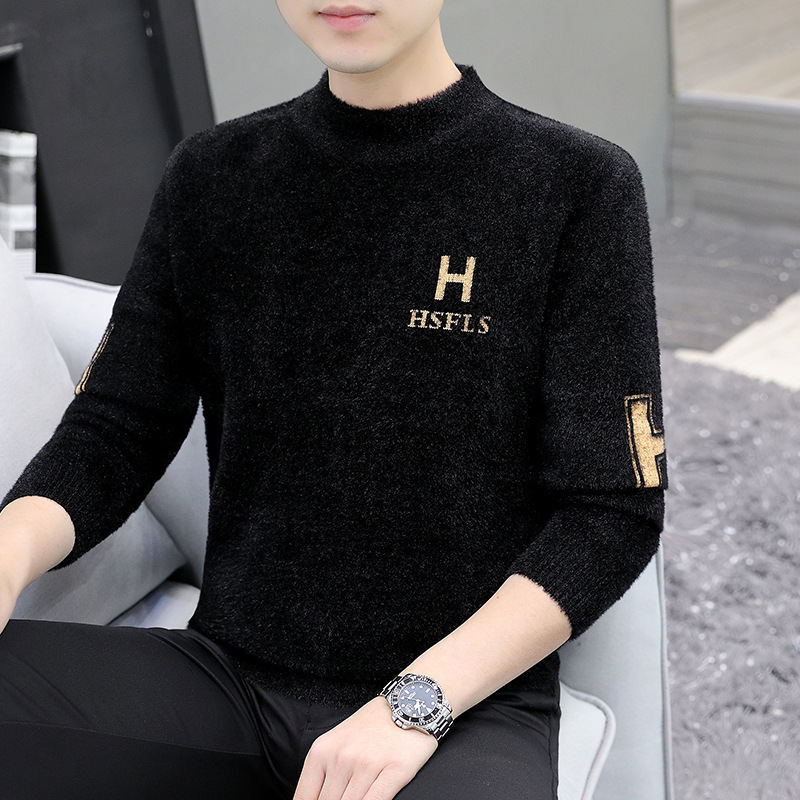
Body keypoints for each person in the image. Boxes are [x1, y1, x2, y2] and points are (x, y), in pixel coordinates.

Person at [0, 1, 667, 798]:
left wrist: (416, 704)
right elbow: (117, 426)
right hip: (227, 679)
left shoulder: (576, 184)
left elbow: (611, 510)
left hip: (465, 707)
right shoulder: (212, 176)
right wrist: (7, 551)